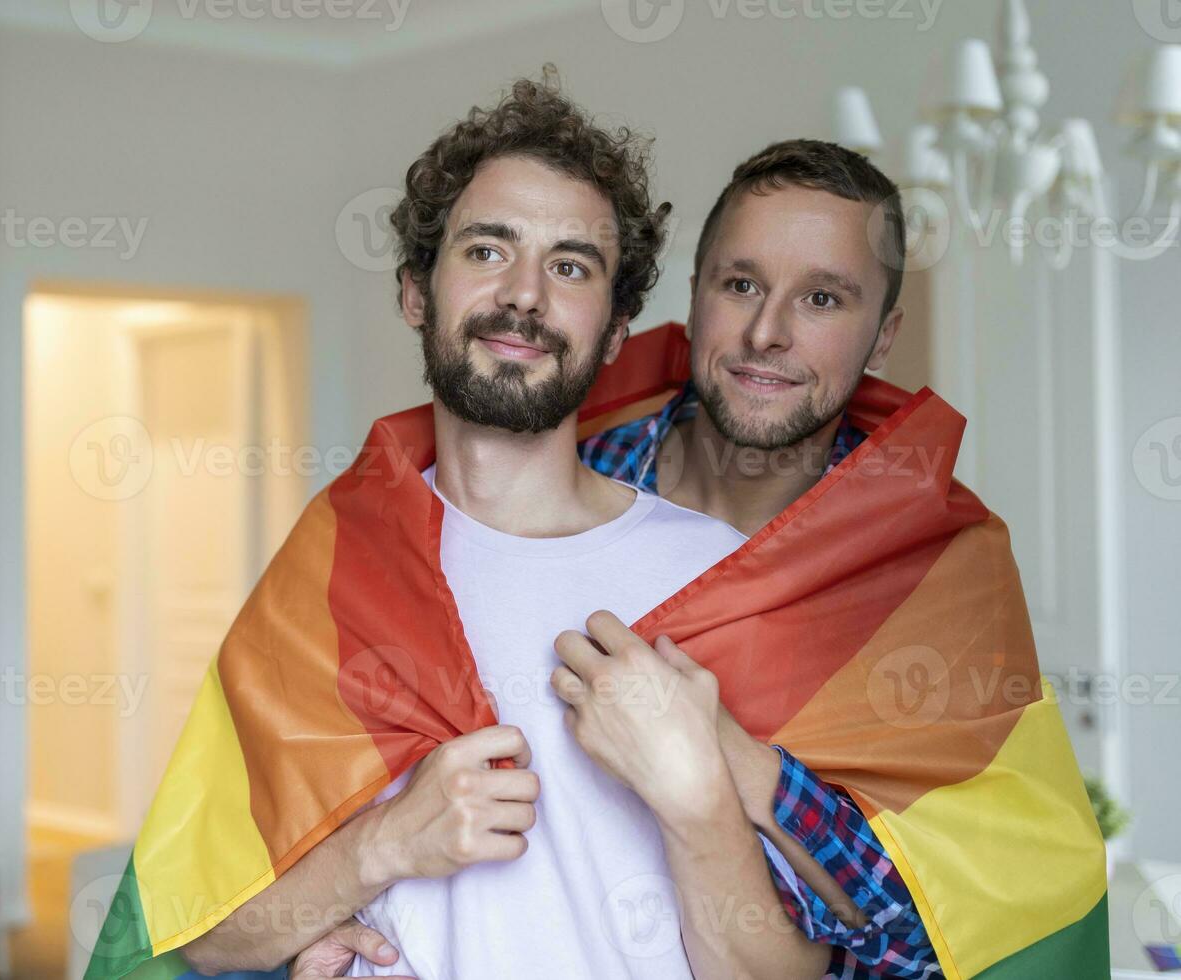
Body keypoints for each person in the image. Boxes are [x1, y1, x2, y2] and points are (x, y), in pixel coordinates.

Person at [180, 75, 853, 980]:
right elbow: (205, 927)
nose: (525, 295)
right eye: (489, 250)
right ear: (418, 291)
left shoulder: (721, 581)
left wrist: (692, 793)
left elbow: (792, 974)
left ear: (616, 330)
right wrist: (382, 847)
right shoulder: (335, 565)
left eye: (571, 266)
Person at [285, 139, 943, 980]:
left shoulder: (923, 578)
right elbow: (208, 898)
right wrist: (353, 899)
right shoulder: (368, 542)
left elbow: (910, 947)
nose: (767, 333)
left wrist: (712, 768)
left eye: (821, 298)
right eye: (741, 285)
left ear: (883, 336)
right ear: (693, 299)